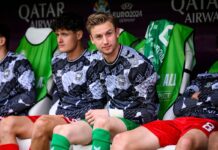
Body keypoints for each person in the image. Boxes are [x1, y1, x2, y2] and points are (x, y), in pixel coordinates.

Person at [50, 12, 158, 150]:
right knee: (61, 130)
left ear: (117, 32)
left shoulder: (137, 65)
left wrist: (109, 113)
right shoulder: (95, 61)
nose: (105, 41)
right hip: (107, 119)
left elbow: (149, 113)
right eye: (99, 37)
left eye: (109, 34)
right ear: (92, 40)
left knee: (101, 122)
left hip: (137, 123)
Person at [0, 12, 106, 150]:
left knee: (42, 123)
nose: (59, 40)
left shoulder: (94, 60)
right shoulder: (57, 61)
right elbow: (58, 94)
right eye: (57, 35)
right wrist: (56, 114)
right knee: (6, 124)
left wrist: (61, 116)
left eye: (64, 34)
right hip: (60, 117)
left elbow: (98, 102)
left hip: (82, 120)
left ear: (79, 35)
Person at [111, 72, 218, 150]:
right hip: (179, 120)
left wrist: (200, 96)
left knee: (186, 143)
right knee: (121, 140)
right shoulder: (202, 77)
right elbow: (179, 105)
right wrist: (208, 97)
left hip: (206, 121)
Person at [0, 23, 36, 117]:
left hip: (11, 118)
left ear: (1, 41)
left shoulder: (18, 62)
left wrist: (3, 110)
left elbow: (29, 95)